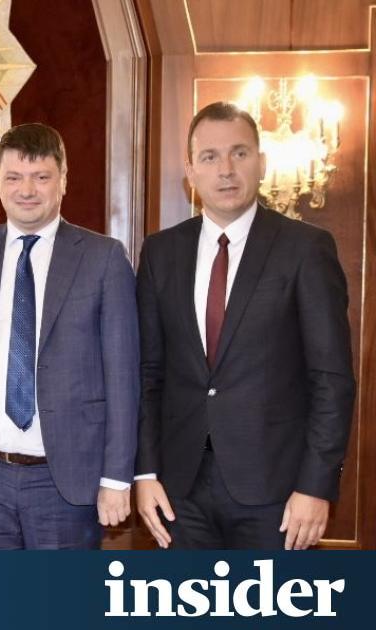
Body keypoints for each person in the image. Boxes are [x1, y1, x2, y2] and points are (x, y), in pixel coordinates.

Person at [134, 102, 355, 550]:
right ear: (191, 171)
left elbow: (331, 379)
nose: (226, 170)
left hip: (278, 495)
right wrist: (145, 472)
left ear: (262, 162)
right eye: (210, 156)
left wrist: (315, 485)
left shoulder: (305, 249)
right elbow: (148, 374)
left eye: (239, 153)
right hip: (180, 492)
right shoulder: (160, 253)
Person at [0, 123, 139, 549]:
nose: (26, 190)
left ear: (63, 180)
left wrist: (117, 478)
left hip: (66, 480)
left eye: (41, 176)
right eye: (13, 177)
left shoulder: (103, 258)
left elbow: (124, 378)